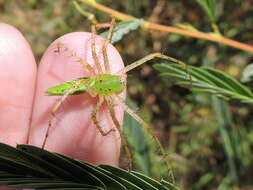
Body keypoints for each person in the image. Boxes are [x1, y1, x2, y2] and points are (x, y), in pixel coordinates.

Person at [0, 23, 124, 172]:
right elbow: (100, 49)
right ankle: (45, 139)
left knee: (113, 120)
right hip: (87, 84)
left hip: (89, 84)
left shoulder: (108, 96)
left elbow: (96, 116)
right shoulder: (102, 88)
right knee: (98, 50)